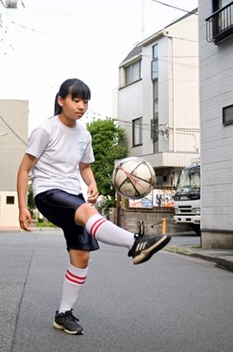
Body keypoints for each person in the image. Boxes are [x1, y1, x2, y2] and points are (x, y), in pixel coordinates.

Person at [16, 78, 170, 336]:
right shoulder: (45, 130)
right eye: (75, 100)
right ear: (61, 100)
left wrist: (92, 183)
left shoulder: (84, 135)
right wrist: (22, 206)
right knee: (88, 212)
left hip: (73, 194)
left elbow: (84, 166)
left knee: (81, 256)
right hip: (48, 193)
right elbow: (24, 169)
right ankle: (135, 243)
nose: (81, 106)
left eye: (85, 101)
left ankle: (63, 314)